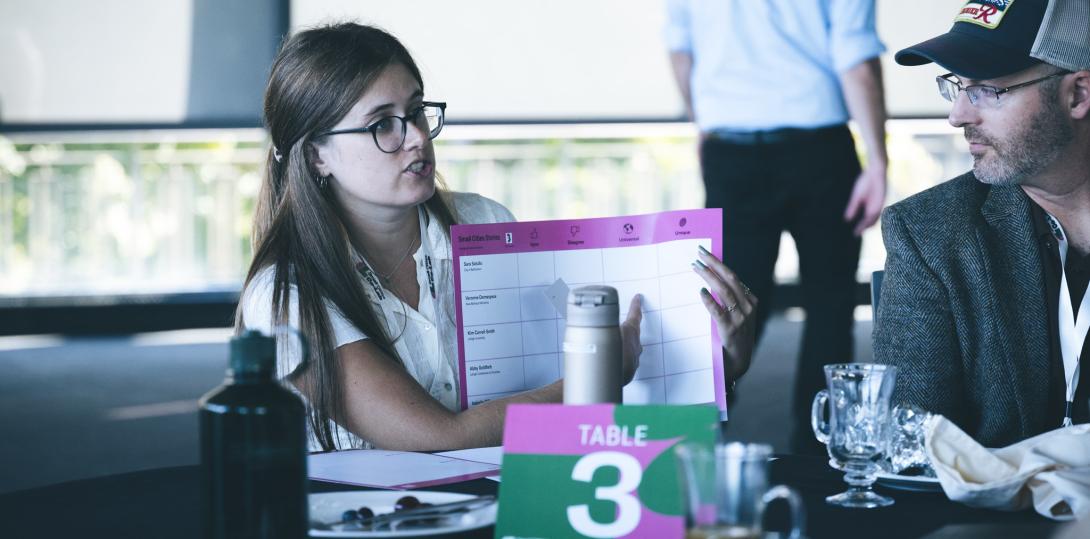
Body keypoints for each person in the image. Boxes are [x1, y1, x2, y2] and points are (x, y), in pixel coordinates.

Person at [237, 22, 759, 452]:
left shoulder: (485, 223)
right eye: (383, 125)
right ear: (316, 156)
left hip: (516, 501)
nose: (417, 137)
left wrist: (713, 364)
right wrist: (597, 373)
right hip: (378, 522)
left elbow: (571, 397)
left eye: (417, 111)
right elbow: (435, 437)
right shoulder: (284, 294)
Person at [664, 0, 889, 454]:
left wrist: (702, 120)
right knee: (829, 305)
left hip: (733, 151)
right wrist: (878, 160)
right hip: (820, 150)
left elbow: (680, 49)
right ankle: (821, 458)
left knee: (727, 305)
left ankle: (692, 459)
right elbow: (855, 59)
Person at [876, 0, 1090, 446]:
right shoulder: (931, 234)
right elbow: (913, 443)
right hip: (998, 514)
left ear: (1078, 95)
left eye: (987, 90)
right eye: (958, 86)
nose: (958, 116)